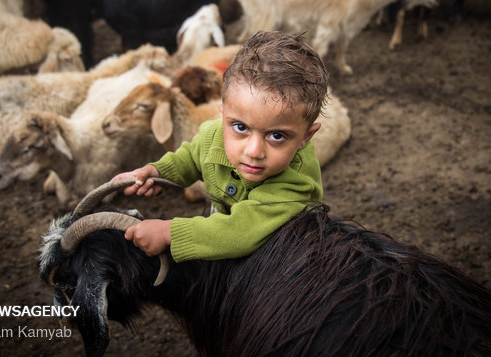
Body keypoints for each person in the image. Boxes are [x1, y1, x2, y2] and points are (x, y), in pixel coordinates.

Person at [111, 30, 329, 262]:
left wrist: (169, 233)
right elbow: (190, 158)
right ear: (222, 112)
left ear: (306, 136)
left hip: (280, 263)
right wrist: (158, 172)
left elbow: (240, 231)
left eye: (276, 136)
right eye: (241, 127)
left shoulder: (294, 184)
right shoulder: (213, 136)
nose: (253, 151)